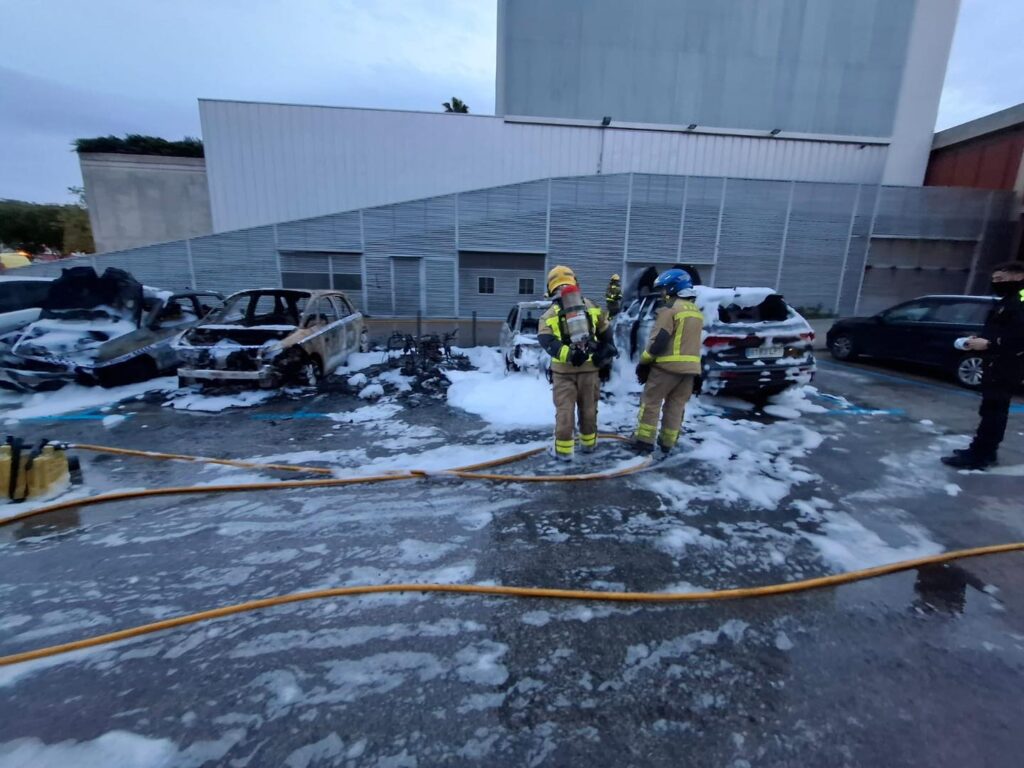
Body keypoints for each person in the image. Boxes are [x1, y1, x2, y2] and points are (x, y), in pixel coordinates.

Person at [941, 261, 1024, 470]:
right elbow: (1003, 329)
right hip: (996, 362)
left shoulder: (1021, 299)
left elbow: (1019, 337)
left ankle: (980, 456)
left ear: (1018, 276)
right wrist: (979, 339)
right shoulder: (1010, 299)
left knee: (994, 412)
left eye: (1000, 279)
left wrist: (989, 343)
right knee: (990, 411)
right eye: (994, 279)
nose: (995, 283)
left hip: (1007, 365)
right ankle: (983, 450)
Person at [538, 265, 616, 461]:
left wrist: (569, 355)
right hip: (590, 370)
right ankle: (589, 447)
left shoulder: (549, 314)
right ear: (575, 282)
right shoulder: (591, 306)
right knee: (589, 409)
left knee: (565, 411)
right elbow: (606, 334)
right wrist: (604, 353)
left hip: (563, 372)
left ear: (551, 287)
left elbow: (546, 341)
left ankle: (563, 453)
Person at [633, 268, 703, 456]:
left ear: (673, 288)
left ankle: (644, 443)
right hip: (690, 371)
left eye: (664, 290)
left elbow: (659, 340)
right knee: (676, 406)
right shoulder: (696, 311)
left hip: (666, 368)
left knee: (651, 403)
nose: (663, 294)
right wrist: (698, 372)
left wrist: (644, 362)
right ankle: (667, 444)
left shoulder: (670, 309)